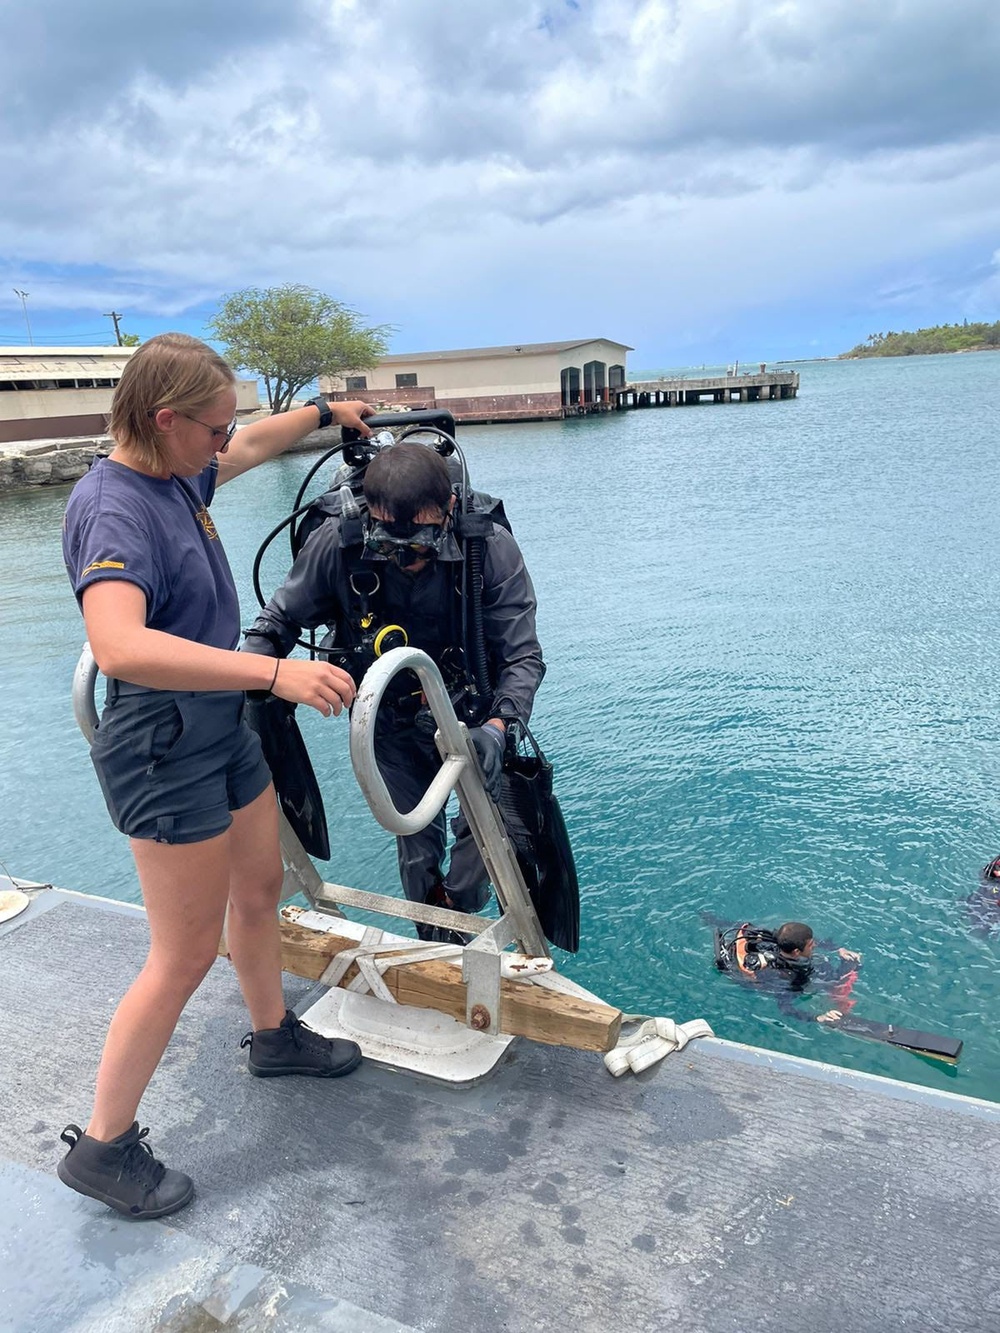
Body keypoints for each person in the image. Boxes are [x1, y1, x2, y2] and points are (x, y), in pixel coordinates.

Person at [58, 332, 375, 1220]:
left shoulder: (175, 470)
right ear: (164, 421)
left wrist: (325, 414)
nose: (222, 444)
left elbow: (256, 444)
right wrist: (273, 673)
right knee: (184, 951)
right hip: (162, 740)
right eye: (211, 428)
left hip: (217, 725)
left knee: (262, 882)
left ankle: (273, 1036)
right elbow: (120, 644)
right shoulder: (113, 506)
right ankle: (103, 1144)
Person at [243, 440, 545, 940]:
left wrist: (500, 726)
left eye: (423, 543)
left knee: (486, 846)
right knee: (416, 840)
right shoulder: (337, 542)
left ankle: (463, 917)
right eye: (389, 545)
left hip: (475, 717)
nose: (408, 559)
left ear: (449, 508)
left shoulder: (487, 546)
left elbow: (522, 654)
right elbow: (277, 620)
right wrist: (253, 671)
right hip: (388, 721)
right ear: (368, 514)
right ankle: (432, 935)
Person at [713, 919, 862, 1025]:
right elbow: (786, 1009)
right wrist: (817, 1018)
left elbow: (805, 939)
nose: (815, 945)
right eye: (811, 945)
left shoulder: (776, 941)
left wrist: (838, 949)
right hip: (760, 983)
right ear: (796, 952)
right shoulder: (787, 978)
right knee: (847, 970)